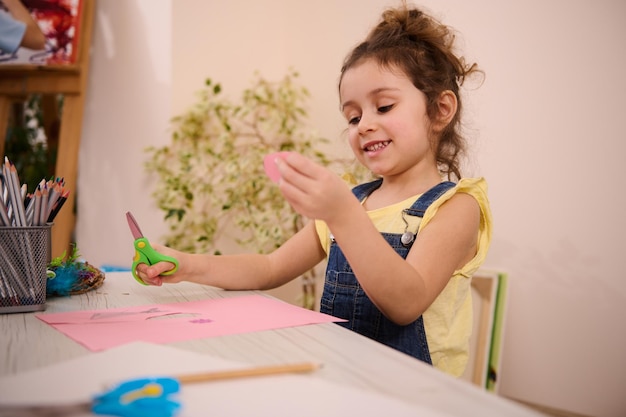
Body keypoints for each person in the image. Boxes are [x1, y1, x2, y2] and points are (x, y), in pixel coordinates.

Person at [136, 2, 492, 377]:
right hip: (341, 377)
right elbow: (269, 267)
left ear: (440, 110)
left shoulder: (457, 206)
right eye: (353, 116)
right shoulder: (355, 201)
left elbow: (406, 302)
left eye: (384, 107)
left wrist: (341, 214)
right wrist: (189, 264)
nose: (364, 125)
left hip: (417, 395)